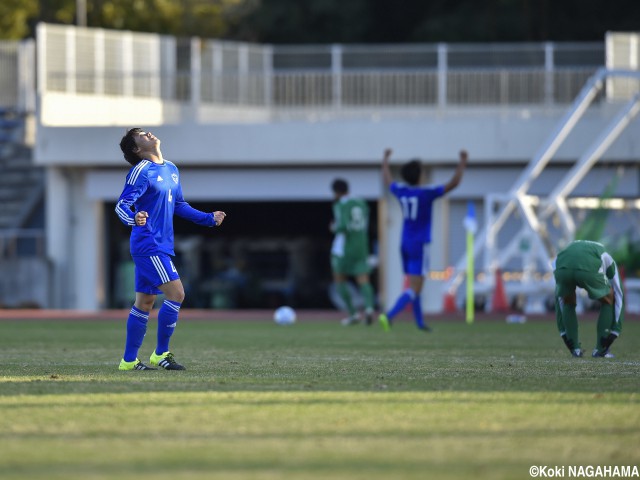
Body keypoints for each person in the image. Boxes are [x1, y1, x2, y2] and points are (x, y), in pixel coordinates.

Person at [115, 128, 226, 371]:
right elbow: (122, 205)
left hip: (162, 245)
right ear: (136, 150)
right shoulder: (140, 171)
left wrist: (208, 218)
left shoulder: (171, 169)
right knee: (177, 294)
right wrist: (135, 218)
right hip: (148, 244)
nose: (149, 134)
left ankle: (128, 361)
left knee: (144, 303)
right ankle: (160, 354)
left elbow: (179, 204)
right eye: (142, 135)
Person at [379, 148, 467, 331]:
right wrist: (463, 162)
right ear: (420, 175)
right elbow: (454, 183)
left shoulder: (401, 190)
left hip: (404, 243)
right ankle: (388, 316)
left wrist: (385, 160)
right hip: (420, 244)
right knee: (415, 288)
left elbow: (388, 181)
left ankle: (419, 322)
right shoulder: (427, 193)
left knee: (414, 284)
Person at [552, 239, 624, 358]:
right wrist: (616, 330)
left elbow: (559, 298)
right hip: (588, 268)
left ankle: (575, 349)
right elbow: (619, 293)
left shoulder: (568, 250)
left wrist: (563, 332)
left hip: (562, 264)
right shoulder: (607, 256)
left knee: (567, 300)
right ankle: (601, 350)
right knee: (609, 298)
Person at [330, 178, 376, 325]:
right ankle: (369, 309)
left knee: (340, 279)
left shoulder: (341, 204)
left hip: (344, 248)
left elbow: (342, 226)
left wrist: (333, 227)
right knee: (363, 279)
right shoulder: (361, 203)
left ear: (336, 192)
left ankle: (353, 313)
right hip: (361, 246)